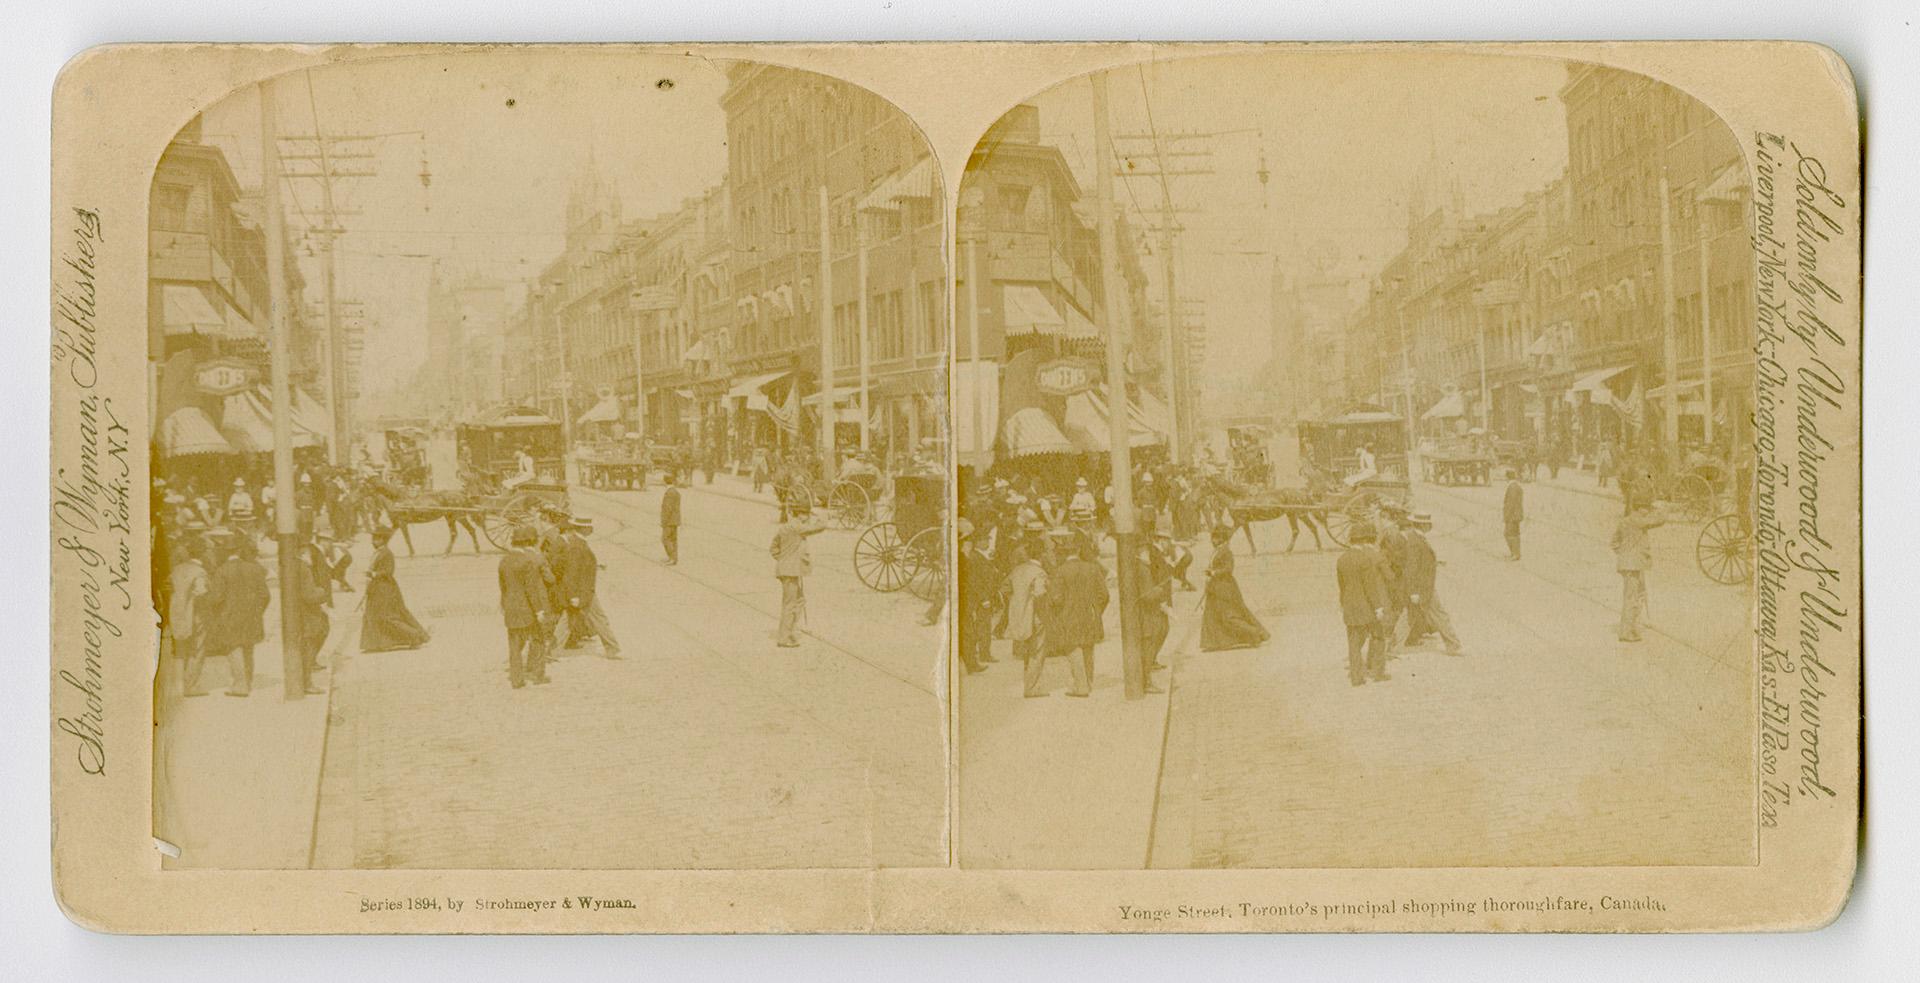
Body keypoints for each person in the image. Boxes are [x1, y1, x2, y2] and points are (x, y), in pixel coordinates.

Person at [205, 537, 270, 697]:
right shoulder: (255, 568)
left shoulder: (221, 570)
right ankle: (247, 681)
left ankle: (240, 685)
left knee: (234, 648)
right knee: (248, 648)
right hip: (252, 617)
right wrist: (257, 611)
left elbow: (216, 598)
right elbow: (265, 595)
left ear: (224, 552)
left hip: (229, 617)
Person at [1044, 539, 1109, 698]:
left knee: (1073, 648)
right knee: (1088, 647)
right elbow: (1105, 595)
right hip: (1090, 615)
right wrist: (1096, 610)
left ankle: (1081, 686)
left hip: (1068, 616)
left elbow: (1056, 598)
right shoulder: (1092, 568)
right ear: (1078, 551)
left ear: (1063, 554)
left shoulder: (1061, 571)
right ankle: (1089, 682)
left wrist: (1056, 612)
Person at [1337, 522, 1393, 686]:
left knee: (1354, 643)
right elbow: (1370, 588)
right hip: (1367, 607)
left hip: (1350, 606)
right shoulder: (1364, 560)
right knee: (1378, 637)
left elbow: (1341, 586)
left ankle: (1357, 678)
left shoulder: (1342, 559)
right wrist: (1378, 608)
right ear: (1362, 540)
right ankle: (1378, 673)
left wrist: (1343, 604)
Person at [1403, 512, 1467, 656]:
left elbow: (1419, 561)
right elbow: (1411, 568)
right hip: (1423, 586)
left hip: (1422, 584)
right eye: (1428, 524)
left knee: (1413, 613)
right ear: (1423, 525)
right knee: (1440, 614)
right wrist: (1413, 591)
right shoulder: (1415, 541)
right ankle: (1453, 645)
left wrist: (1435, 562)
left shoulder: (1415, 537)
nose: (1430, 526)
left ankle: (1408, 639)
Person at [498, 525, 554, 687]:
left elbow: (503, 587)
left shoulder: (504, 561)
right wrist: (539, 610)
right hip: (528, 609)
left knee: (514, 645)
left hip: (511, 608)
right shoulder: (528, 562)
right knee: (538, 640)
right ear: (529, 541)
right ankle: (538, 675)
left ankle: (516, 680)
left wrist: (504, 605)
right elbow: (531, 590)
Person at [1200, 524, 1270, 652]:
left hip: (1225, 588)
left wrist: (1213, 572)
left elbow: (1228, 569)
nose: (1213, 540)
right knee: (1213, 614)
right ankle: (1215, 642)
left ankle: (1255, 633)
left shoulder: (1226, 551)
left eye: (1216, 538)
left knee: (1228, 616)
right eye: (1213, 538)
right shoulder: (1218, 550)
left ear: (1222, 538)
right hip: (1215, 586)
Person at [360, 526, 431, 652]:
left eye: (376, 538)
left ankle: (414, 635)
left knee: (388, 616)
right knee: (373, 615)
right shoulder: (378, 552)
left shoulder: (387, 553)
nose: (373, 541)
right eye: (373, 538)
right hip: (376, 588)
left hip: (385, 589)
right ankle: (376, 644)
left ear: (383, 540)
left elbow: (388, 571)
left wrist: (374, 574)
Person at [560, 518, 622, 659]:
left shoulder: (577, 542)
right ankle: (613, 649)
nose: (592, 530)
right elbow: (572, 571)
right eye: (589, 527)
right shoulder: (577, 545)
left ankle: (550, 651)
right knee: (598, 619)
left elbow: (580, 564)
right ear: (582, 528)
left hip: (582, 590)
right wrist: (573, 595)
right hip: (583, 591)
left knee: (568, 621)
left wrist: (595, 565)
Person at [771, 501, 826, 648]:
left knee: (799, 600)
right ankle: (783, 638)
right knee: (790, 604)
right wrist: (820, 515)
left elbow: (773, 548)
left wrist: (785, 560)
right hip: (790, 571)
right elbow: (819, 527)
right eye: (806, 515)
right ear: (801, 515)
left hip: (788, 570)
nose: (807, 518)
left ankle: (792, 632)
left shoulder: (784, 527)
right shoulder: (797, 527)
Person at [1612, 498, 1666, 642]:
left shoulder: (1624, 521)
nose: (1647, 511)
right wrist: (1661, 508)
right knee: (1631, 598)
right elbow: (1659, 521)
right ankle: (1625, 632)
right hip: (1634, 565)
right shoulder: (1639, 521)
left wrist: (1624, 555)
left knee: (1637, 596)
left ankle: (1632, 629)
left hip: (1629, 564)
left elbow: (1614, 543)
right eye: (1646, 508)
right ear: (1639, 508)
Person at [1004, 543, 1050, 697]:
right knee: (1037, 652)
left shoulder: (1016, 570)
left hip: (1019, 617)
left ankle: (1028, 684)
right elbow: (1039, 593)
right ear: (1041, 555)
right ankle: (1032, 688)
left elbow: (1005, 588)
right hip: (1035, 617)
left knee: (1027, 652)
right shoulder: (1039, 572)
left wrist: (1017, 600)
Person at [167, 541, 212, 697]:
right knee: (197, 649)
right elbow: (202, 592)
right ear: (201, 554)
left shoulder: (176, 570)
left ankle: (178, 684)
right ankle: (191, 685)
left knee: (180, 650)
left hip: (177, 614)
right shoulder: (200, 572)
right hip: (195, 615)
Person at [955, 520, 994, 674]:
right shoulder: (969, 558)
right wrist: (984, 598)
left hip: (968, 599)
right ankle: (971, 663)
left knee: (968, 632)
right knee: (968, 633)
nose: (967, 544)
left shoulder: (968, 556)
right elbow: (974, 580)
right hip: (970, 599)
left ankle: (971, 662)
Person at [1502, 469, 1526, 561]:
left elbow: (1510, 504)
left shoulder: (1512, 487)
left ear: (1508, 477)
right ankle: (1515, 553)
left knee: (1509, 534)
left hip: (1512, 515)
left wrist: (1506, 516)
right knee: (1514, 534)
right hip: (1516, 515)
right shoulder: (1516, 486)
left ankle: (1515, 554)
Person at [660, 473, 682, 565]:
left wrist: (663, 521)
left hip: (669, 520)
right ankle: (674, 558)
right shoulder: (676, 491)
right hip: (675, 520)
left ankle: (671, 557)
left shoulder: (669, 493)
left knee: (665, 539)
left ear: (665, 482)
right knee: (673, 539)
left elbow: (667, 508)